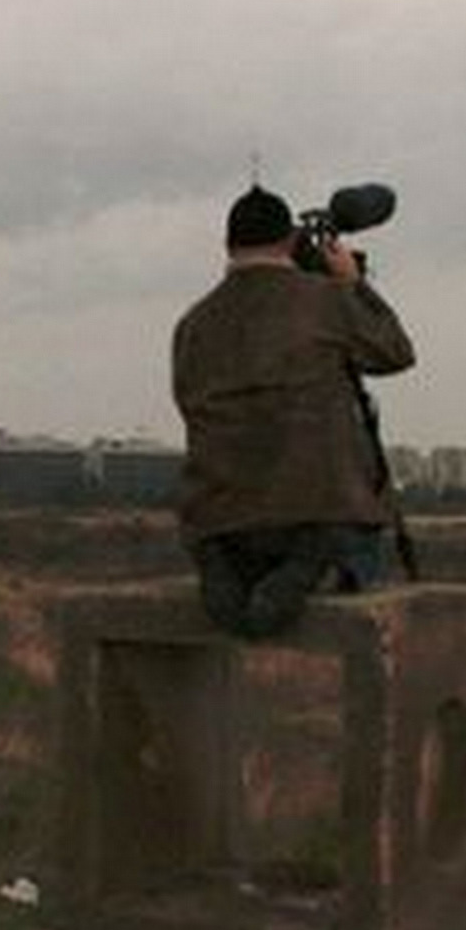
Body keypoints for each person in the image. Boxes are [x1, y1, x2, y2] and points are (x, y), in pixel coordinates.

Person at [172, 183, 416, 638]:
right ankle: (304, 570)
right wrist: (352, 284)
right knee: (349, 538)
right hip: (312, 515)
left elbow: (189, 405)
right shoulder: (324, 301)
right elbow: (395, 352)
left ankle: (235, 576)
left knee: (241, 546)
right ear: (289, 241)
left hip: (219, 522)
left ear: (228, 245)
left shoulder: (192, 324)